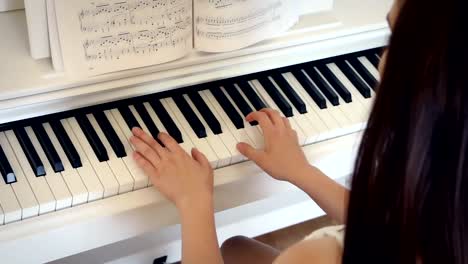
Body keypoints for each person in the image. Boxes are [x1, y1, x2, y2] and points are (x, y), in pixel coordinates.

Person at [129, 0, 468, 262]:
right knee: (235, 249)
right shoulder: (450, 210)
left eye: (396, 40)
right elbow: (391, 232)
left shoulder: (318, 257)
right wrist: (303, 172)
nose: (380, 62)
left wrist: (194, 201)